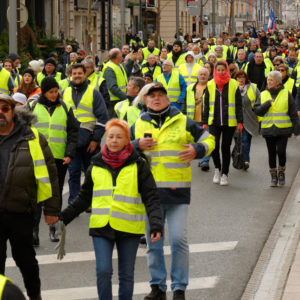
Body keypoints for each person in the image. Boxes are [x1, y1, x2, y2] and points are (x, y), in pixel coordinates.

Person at [60, 119, 162, 300]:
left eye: (119, 137)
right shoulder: (96, 163)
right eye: (110, 137)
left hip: (129, 228)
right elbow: (85, 196)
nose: (114, 140)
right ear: (105, 139)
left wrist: (155, 224)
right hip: (101, 226)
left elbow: (151, 196)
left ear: (126, 140)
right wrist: (64, 217)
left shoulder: (139, 164)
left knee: (126, 275)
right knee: (103, 271)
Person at [130, 83, 215, 300]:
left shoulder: (183, 121)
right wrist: (136, 144)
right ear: (146, 100)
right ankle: (157, 287)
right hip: (150, 196)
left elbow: (209, 138)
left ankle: (179, 288)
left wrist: (198, 149)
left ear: (168, 99)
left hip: (177, 194)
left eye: (161, 95)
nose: (157, 99)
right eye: (152, 96)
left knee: (178, 241)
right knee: (153, 244)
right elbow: (119, 146)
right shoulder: (138, 123)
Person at [0, 94, 60, 300]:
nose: (0, 113)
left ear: (13, 111)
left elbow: (51, 175)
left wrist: (52, 210)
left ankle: (35, 296)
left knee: (26, 261)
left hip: (21, 211)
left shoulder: (32, 136)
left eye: (4, 108)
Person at [30, 76, 78, 244]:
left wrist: (69, 153)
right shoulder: (33, 107)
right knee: (36, 195)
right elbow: (24, 131)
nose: (54, 94)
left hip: (58, 158)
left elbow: (73, 132)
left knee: (54, 195)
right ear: (44, 92)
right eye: (51, 92)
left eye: (56, 91)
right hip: (37, 159)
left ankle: (53, 229)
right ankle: (34, 231)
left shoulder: (65, 107)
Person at [63, 63, 108, 204]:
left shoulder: (93, 92)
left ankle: (90, 202)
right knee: (74, 173)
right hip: (72, 143)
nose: (77, 76)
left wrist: (95, 140)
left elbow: (103, 117)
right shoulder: (65, 92)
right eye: (74, 73)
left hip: (90, 142)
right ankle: (74, 202)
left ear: (85, 74)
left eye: (79, 73)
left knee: (92, 174)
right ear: (70, 75)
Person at [254, 71, 300, 186]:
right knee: (272, 153)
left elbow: (293, 112)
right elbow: (257, 111)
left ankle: (281, 171)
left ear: (278, 81)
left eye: (271, 80)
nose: (268, 82)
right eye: (268, 80)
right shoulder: (263, 94)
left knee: (281, 151)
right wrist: (267, 104)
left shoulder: (286, 94)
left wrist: (296, 129)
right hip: (268, 129)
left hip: (283, 129)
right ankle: (273, 176)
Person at [203, 60, 243, 186]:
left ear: (227, 70)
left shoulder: (234, 84)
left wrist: (240, 121)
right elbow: (206, 104)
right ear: (215, 71)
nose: (220, 72)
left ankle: (225, 174)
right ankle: (217, 169)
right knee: (213, 146)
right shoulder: (210, 84)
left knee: (225, 148)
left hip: (229, 121)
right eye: (218, 70)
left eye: (223, 70)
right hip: (213, 121)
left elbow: (238, 105)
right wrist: (204, 122)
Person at [185, 67, 211, 171]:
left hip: (206, 119)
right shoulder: (190, 87)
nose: (203, 76)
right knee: (194, 140)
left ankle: (205, 161)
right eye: (201, 74)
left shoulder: (211, 87)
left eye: (205, 74)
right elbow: (185, 102)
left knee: (206, 139)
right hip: (192, 118)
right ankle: (195, 156)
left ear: (208, 76)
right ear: (198, 76)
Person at [234, 70, 260, 170]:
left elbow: (259, 99)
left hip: (250, 119)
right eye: (238, 77)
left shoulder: (253, 87)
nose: (241, 79)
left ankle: (246, 161)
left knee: (246, 140)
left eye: (242, 77)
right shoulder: (232, 88)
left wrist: (256, 111)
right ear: (235, 79)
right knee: (237, 141)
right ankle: (239, 159)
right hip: (236, 119)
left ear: (246, 78)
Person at [103, 48, 135, 118]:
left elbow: (126, 73)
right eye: (121, 54)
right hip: (113, 102)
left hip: (120, 100)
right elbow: (112, 87)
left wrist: (131, 60)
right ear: (118, 56)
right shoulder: (110, 69)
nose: (122, 56)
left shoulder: (118, 65)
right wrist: (126, 97)